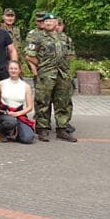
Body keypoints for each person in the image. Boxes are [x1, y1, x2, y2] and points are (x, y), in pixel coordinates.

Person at [27, 12, 77, 142]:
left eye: (51, 21)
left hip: (62, 74)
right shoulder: (37, 38)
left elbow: (70, 55)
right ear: (43, 24)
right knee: (43, 101)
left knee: (63, 101)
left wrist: (63, 63)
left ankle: (62, 128)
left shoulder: (65, 38)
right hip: (46, 74)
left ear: (56, 23)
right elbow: (29, 56)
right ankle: (42, 129)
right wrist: (43, 65)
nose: (48, 23)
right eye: (46, 21)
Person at [0, 60, 35, 144]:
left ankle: (16, 132)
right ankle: (1, 131)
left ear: (20, 70)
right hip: (5, 114)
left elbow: (30, 107)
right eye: (11, 68)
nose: (13, 71)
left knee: (27, 139)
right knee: (10, 122)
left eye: (15, 69)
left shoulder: (26, 86)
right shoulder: (1, 84)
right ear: (8, 69)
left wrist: (17, 114)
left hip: (19, 114)